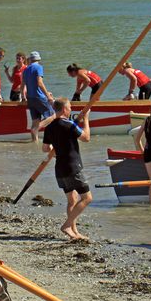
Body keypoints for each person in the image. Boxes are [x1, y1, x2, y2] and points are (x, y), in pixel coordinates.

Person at [43, 99, 92, 240]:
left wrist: (57, 148)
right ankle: (67, 225)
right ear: (64, 109)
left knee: (72, 199)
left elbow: (45, 148)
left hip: (60, 168)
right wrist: (87, 120)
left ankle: (74, 231)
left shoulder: (49, 127)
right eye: (70, 107)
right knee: (87, 198)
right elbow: (86, 138)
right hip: (72, 167)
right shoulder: (69, 124)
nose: (71, 109)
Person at [22, 51, 54, 142]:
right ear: (38, 59)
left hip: (30, 98)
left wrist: (23, 98)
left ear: (30, 60)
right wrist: (48, 95)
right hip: (39, 97)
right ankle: (51, 137)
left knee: (35, 121)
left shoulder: (25, 70)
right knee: (52, 116)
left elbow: (22, 86)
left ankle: (34, 142)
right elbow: (40, 83)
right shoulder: (38, 67)